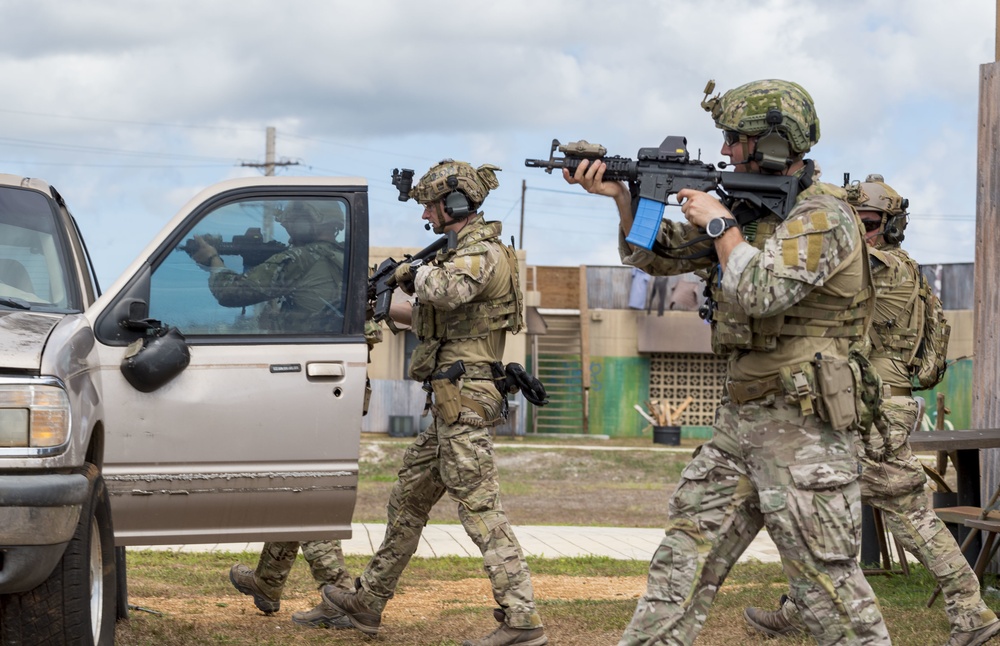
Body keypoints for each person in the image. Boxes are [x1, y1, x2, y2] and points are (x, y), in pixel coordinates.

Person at [565, 79, 890, 644]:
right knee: (680, 563)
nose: (725, 153)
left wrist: (719, 223)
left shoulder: (825, 217)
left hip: (804, 428)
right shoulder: (747, 213)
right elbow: (656, 257)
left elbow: (763, 291)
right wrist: (624, 195)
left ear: (773, 144)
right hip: (741, 420)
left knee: (828, 588)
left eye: (736, 141)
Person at [744, 176, 1000, 646]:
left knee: (852, 504)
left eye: (870, 222)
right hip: (872, 404)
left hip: (878, 408)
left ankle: (968, 610)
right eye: (854, 220)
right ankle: (966, 610)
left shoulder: (884, 266)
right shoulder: (891, 264)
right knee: (835, 503)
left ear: (890, 225)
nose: (859, 230)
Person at [304, 159, 547, 646]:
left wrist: (408, 274)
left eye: (431, 207)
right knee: (408, 502)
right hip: (449, 402)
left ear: (455, 203)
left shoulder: (482, 254)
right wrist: (379, 297)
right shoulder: (458, 255)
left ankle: (522, 619)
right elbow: (427, 317)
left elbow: (447, 288)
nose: (425, 217)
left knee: (480, 509)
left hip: (467, 401)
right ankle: (367, 604)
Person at [187, 200, 345, 333]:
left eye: (292, 225)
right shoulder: (342, 257)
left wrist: (213, 259)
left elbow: (229, 292)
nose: (290, 233)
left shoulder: (299, 259)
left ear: (305, 223)